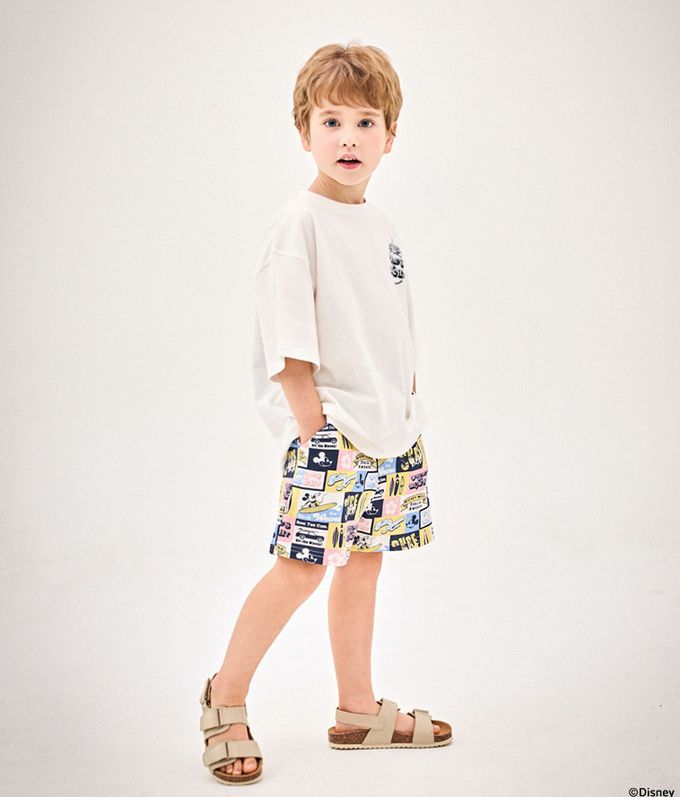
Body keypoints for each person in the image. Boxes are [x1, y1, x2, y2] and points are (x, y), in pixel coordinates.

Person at [198, 41, 452, 786]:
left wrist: (405, 410)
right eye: (331, 120)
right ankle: (225, 699)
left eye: (366, 122)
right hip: (331, 433)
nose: (348, 137)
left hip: (390, 430)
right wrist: (317, 435)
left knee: (365, 564)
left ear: (390, 136)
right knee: (301, 567)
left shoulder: (381, 223)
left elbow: (391, 325)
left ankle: (356, 709)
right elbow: (290, 350)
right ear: (303, 131)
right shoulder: (297, 224)